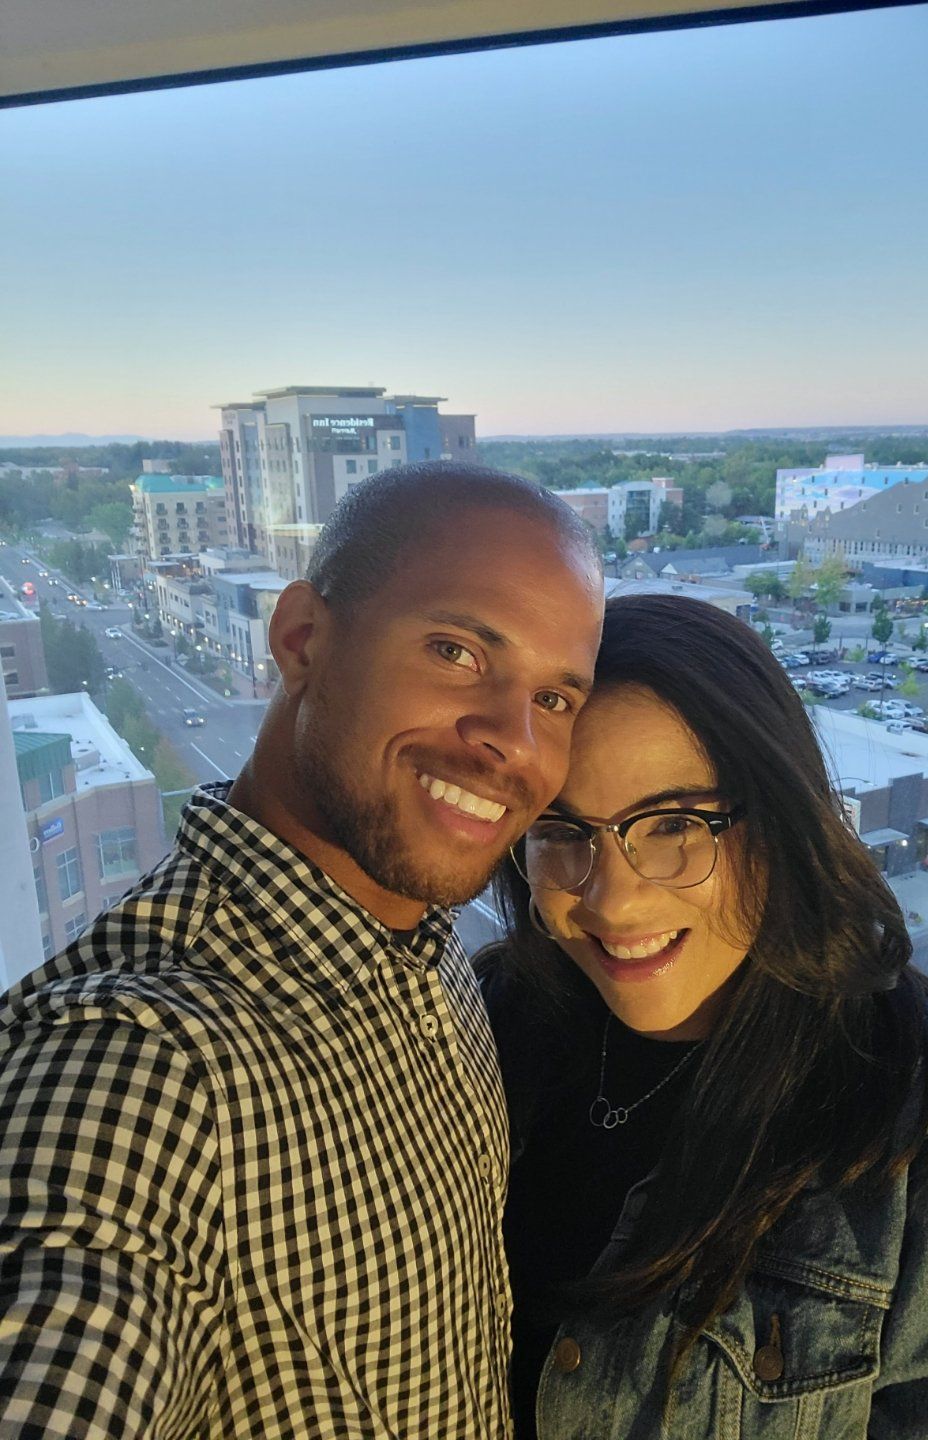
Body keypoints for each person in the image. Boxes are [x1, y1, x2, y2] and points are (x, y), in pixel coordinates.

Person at [0, 463, 605, 1438]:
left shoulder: (430, 949)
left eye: (557, 698)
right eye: (454, 651)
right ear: (301, 639)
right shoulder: (138, 1070)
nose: (512, 740)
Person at [479, 593, 928, 1440]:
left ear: (782, 820)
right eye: (562, 830)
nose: (610, 898)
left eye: (674, 824)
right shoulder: (483, 1021)